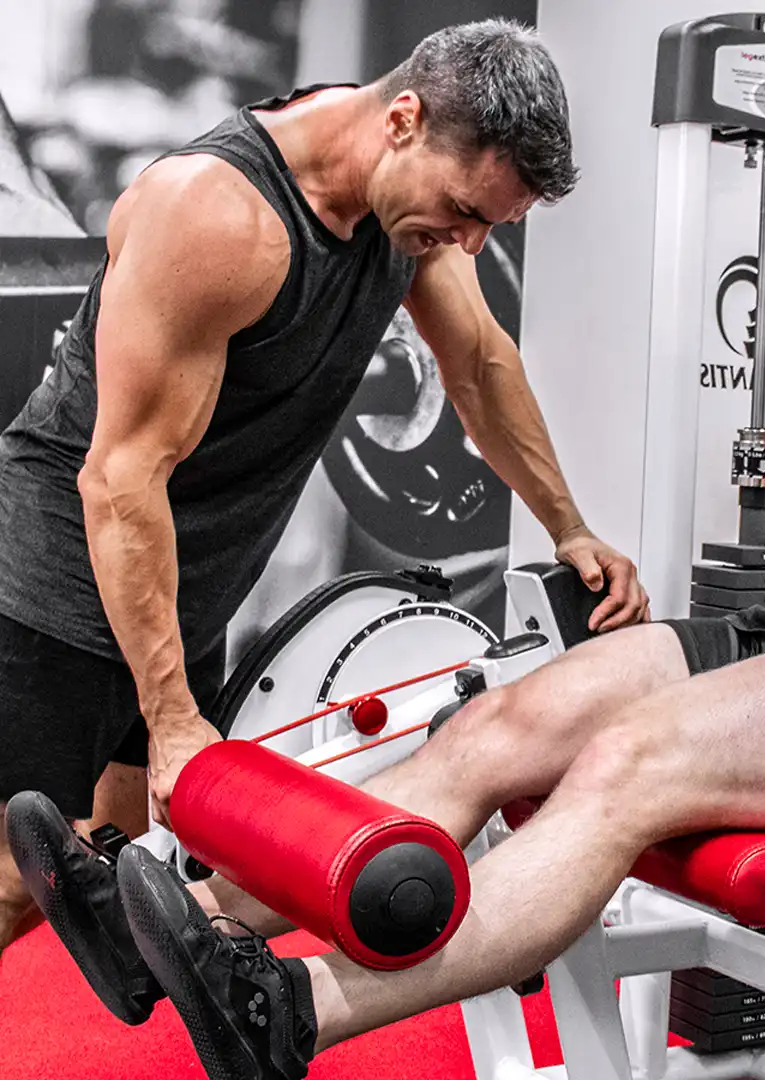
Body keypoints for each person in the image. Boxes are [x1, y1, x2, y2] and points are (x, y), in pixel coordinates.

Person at [8, 110, 765, 1079]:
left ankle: (294, 1008)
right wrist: (762, 657)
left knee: (629, 760)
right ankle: (186, 923)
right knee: (505, 716)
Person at [0, 19, 650, 956]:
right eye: (465, 210)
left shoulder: (405, 214)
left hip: (179, 573)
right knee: (14, 885)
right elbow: (120, 475)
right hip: (66, 562)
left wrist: (569, 529)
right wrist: (174, 715)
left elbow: (479, 368)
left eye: (488, 228)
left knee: (119, 858)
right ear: (404, 119)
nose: (466, 244)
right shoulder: (219, 216)